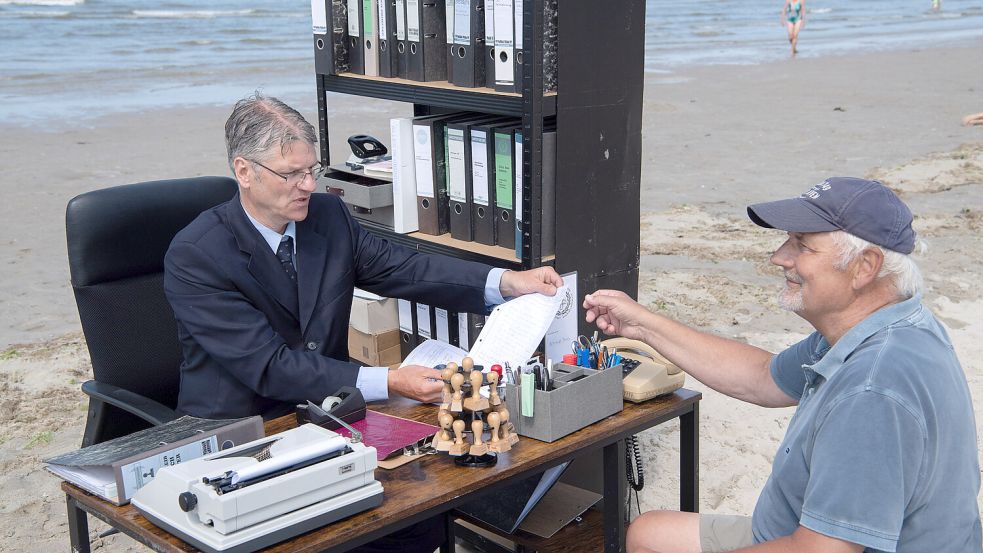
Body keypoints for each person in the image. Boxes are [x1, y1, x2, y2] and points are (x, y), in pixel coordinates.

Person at [164, 93, 562, 552]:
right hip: (243, 428)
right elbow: (271, 367)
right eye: (291, 174)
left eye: (312, 170)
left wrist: (507, 282)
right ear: (244, 171)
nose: (307, 186)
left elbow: (405, 269)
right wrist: (392, 380)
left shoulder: (327, 216)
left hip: (328, 412)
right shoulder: (197, 253)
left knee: (425, 513)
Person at [584, 177, 982, 553]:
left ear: (865, 266)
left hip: (813, 543)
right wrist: (643, 325)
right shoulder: (879, 323)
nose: (779, 258)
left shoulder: (872, 388)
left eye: (802, 245)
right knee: (649, 535)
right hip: (795, 531)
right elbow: (762, 378)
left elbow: (822, 550)